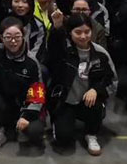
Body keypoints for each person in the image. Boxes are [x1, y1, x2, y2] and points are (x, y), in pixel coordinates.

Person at [47, 10, 117, 156]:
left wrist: (96, 90)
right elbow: (53, 48)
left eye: (87, 31)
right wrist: (57, 27)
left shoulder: (100, 53)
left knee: (96, 103)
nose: (83, 36)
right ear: (70, 33)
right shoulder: (64, 51)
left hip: (88, 102)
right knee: (63, 139)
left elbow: (111, 79)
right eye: (78, 32)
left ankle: (91, 134)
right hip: (66, 101)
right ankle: (58, 122)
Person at [0, 15, 46, 152]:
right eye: (8, 37)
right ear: (1, 37)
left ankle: (16, 127)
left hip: (23, 106)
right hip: (2, 104)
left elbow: (37, 92)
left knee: (36, 132)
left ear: (23, 35)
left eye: (17, 36)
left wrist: (27, 116)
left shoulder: (32, 62)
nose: (13, 41)